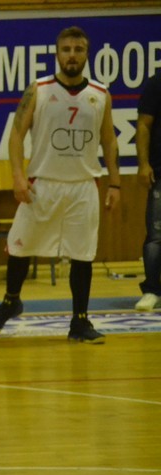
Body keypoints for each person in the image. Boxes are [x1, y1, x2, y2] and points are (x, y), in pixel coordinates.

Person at [0, 26, 120, 342]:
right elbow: (16, 135)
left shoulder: (100, 94)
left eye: (78, 50)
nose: (72, 55)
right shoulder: (39, 90)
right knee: (20, 246)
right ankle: (10, 301)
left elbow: (109, 140)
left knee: (82, 254)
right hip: (42, 183)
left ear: (87, 54)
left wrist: (115, 183)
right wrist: (17, 176)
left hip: (83, 185)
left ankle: (80, 322)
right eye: (66, 49)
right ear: (57, 54)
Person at [135, 70, 161, 312]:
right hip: (160, 170)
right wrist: (143, 164)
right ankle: (152, 290)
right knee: (156, 235)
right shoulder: (157, 82)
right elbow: (143, 124)